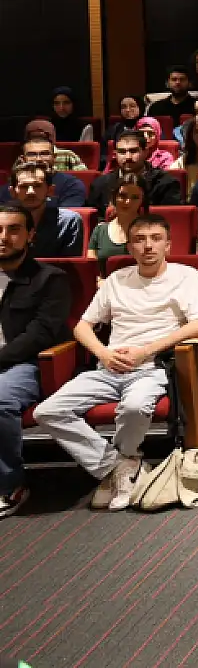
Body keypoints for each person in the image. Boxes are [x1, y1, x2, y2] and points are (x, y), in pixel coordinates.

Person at [34, 215, 198, 511]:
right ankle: (121, 466)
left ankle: (120, 467)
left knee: (134, 407)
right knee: (48, 412)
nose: (148, 246)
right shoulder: (117, 280)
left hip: (150, 367)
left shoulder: (186, 275)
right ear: (129, 247)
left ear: (168, 244)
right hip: (108, 366)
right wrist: (103, 354)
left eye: (155, 238)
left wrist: (146, 351)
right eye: (140, 240)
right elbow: (82, 326)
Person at [0, 204, 73, 517]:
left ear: (30, 235)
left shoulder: (49, 279)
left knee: (0, 400)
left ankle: (10, 485)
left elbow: (39, 335)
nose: (4, 237)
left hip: (26, 364)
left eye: (13, 229)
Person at [8, 163, 84, 259]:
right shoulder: (2, 221)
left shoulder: (69, 221)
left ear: (50, 190)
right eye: (24, 186)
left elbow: (70, 265)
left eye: (37, 186)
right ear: (13, 192)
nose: (31, 191)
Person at [0, 139, 86, 209]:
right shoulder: (8, 188)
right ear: (23, 159)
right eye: (32, 154)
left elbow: (66, 216)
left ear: (54, 157)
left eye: (45, 154)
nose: (38, 159)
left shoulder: (71, 185)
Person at [87, 173, 149, 263]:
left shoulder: (151, 231)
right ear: (114, 197)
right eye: (123, 196)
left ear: (142, 201)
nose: (127, 202)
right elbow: (91, 269)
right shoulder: (100, 230)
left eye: (135, 198)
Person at [144, 66, 198, 132]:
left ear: (189, 83)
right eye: (174, 79)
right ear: (167, 84)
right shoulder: (155, 107)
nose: (178, 82)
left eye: (182, 79)